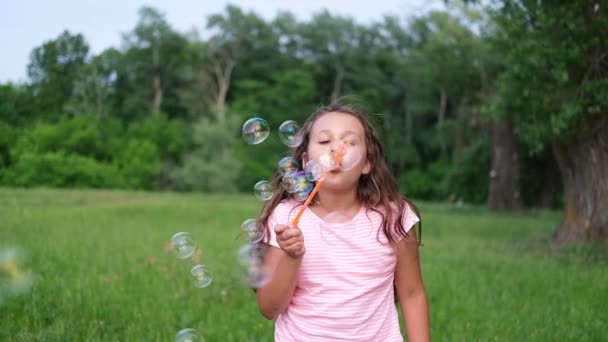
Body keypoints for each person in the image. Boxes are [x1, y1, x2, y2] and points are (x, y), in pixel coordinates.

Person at [255, 100, 430, 341]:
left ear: (367, 163)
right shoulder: (286, 218)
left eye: (348, 142)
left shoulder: (393, 217)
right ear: (306, 162)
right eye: (325, 141)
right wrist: (292, 257)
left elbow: (412, 294)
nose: (335, 150)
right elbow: (269, 308)